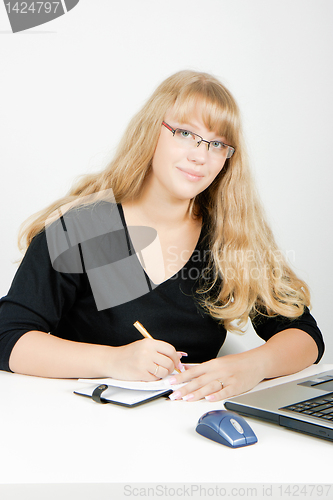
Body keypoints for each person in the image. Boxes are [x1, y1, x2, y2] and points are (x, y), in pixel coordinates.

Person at [0, 70, 324, 402]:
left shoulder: (230, 238)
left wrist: (252, 365)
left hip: (193, 430)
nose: (200, 155)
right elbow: (9, 336)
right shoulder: (86, 228)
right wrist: (114, 360)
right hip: (87, 427)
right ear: (151, 131)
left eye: (217, 144)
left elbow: (305, 336)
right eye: (185, 133)